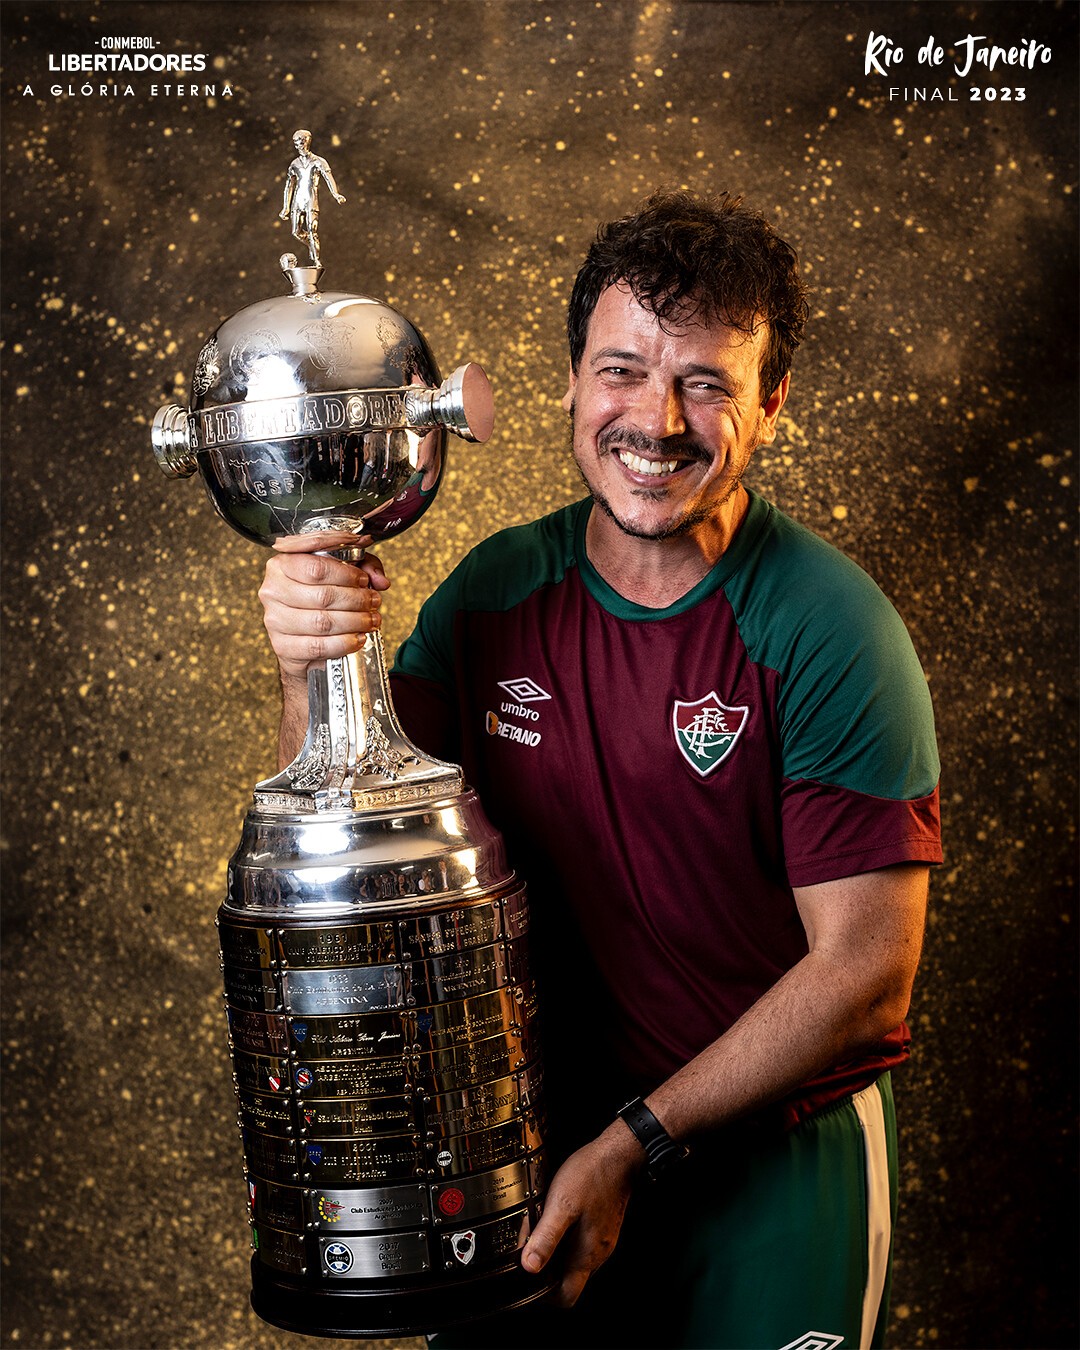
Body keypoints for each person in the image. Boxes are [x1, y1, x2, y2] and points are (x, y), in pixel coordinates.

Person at [258, 191, 942, 1350]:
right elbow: (350, 850)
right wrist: (305, 668)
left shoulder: (830, 628)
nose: (657, 421)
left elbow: (867, 974)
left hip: (771, 1174)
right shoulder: (493, 597)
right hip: (530, 1151)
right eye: (622, 371)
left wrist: (636, 1143)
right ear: (573, 384)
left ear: (771, 403)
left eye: (707, 383)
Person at [279, 128, 346, 268]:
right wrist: (286, 207)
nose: (298, 147)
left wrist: (336, 194)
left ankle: (316, 260)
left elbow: (328, 178)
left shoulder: (319, 161)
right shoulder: (294, 164)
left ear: (307, 142)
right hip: (297, 200)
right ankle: (312, 245)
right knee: (296, 232)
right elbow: (289, 186)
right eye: (296, 144)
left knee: (312, 230)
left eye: (301, 143)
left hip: (311, 200)